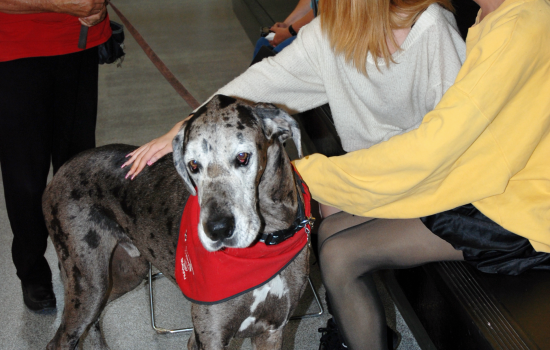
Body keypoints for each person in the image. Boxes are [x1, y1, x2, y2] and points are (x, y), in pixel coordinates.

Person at [0, 0, 111, 313]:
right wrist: (63, 4)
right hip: (14, 47)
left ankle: (80, 263)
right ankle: (32, 267)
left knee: (77, 170)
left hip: (77, 42)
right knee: (25, 177)